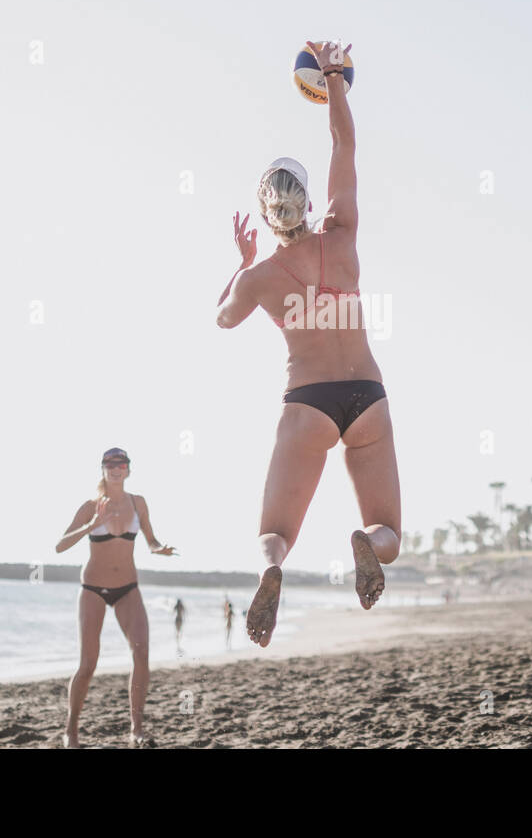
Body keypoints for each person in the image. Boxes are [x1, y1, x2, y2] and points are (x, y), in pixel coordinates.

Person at [215, 39, 402, 647]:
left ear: (267, 215)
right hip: (366, 394)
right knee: (388, 530)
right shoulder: (340, 237)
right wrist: (334, 80)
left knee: (274, 530)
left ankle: (273, 569)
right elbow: (344, 145)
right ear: (308, 203)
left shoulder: (258, 278)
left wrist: (242, 263)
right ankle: (365, 543)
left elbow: (222, 320)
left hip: (308, 403)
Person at [55, 447, 176, 748]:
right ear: (103, 469)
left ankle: (136, 729)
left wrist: (159, 548)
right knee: (88, 664)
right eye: (110, 463)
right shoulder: (90, 506)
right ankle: (71, 731)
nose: (116, 468)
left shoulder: (138, 503)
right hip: (93, 590)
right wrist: (91, 526)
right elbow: (59, 546)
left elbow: (150, 539)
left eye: (121, 463)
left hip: (127, 588)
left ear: (128, 470)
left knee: (142, 654)